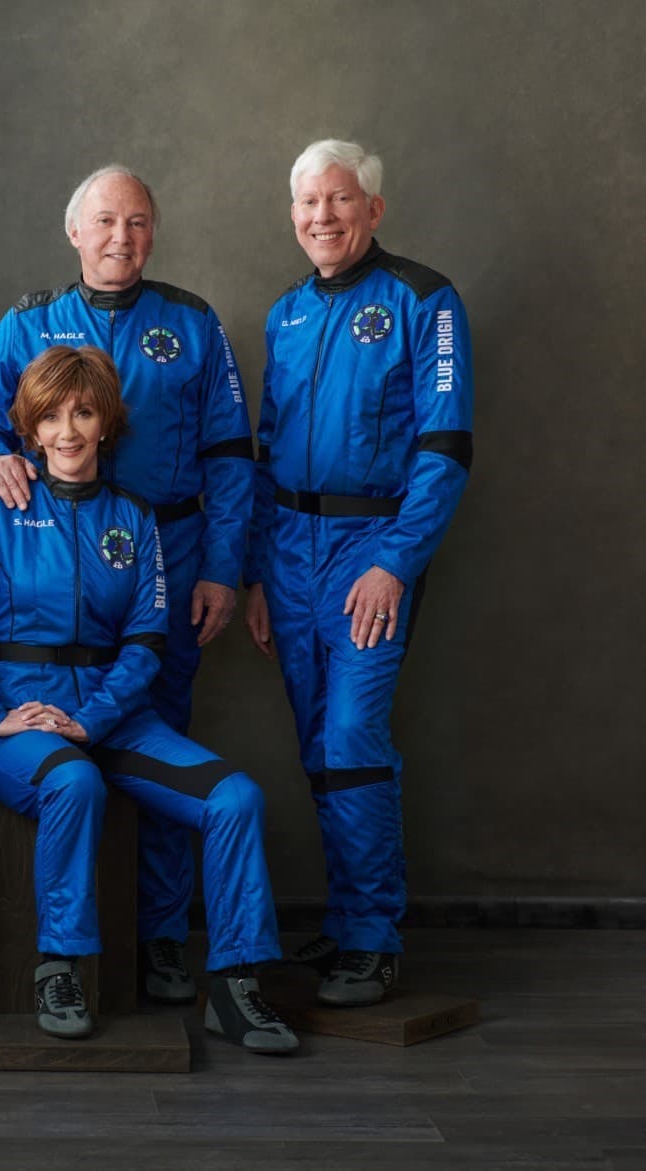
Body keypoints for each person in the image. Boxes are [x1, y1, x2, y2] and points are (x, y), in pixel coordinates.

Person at [0, 345, 296, 1052]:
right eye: (52, 417)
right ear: (29, 430)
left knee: (236, 797)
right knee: (73, 780)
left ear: (106, 425)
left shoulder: (134, 518)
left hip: (111, 713)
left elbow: (147, 642)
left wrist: (92, 717)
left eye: (84, 413)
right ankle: (60, 965)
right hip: (11, 716)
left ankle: (237, 983)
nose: (68, 431)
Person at [0, 166, 255, 1005]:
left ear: (154, 233)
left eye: (138, 222)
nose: (121, 236)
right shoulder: (29, 323)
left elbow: (231, 452)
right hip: (40, 549)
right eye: (105, 221)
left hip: (167, 554)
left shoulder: (193, 324)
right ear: (74, 232)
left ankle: (159, 937)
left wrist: (224, 567)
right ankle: (71, 954)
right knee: (81, 773)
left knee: (157, 734)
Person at [244, 139, 474, 1006]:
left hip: (369, 551)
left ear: (372, 210)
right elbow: (265, 456)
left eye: (338, 201)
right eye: (307, 203)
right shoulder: (285, 314)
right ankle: (345, 924)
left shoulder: (424, 299)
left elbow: (445, 447)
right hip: (291, 554)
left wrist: (395, 562)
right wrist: (260, 573)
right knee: (318, 748)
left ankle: (375, 938)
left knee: (352, 740)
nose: (322, 217)